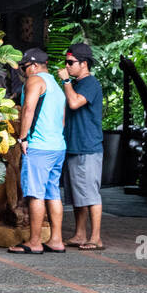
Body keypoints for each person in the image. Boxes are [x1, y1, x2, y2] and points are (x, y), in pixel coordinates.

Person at [9, 47, 67, 255]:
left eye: (24, 67)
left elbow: (29, 109)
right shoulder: (56, 85)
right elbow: (62, 118)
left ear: (33, 66)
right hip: (57, 146)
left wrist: (23, 137)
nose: (23, 72)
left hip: (39, 146)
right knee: (53, 193)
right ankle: (56, 240)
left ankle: (34, 242)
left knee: (35, 194)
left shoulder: (35, 81)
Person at [59, 42, 105, 250]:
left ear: (84, 64)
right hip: (73, 146)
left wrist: (66, 82)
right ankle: (80, 234)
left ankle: (95, 238)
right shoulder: (76, 83)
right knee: (78, 194)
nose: (67, 66)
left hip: (88, 147)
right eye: (66, 62)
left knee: (90, 194)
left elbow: (75, 103)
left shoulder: (90, 84)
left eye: (71, 62)